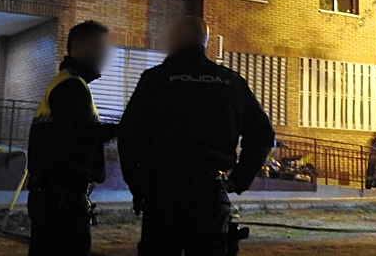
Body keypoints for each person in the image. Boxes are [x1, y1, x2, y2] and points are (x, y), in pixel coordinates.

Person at [119, 16, 275, 256]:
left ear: (177, 39)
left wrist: (140, 186)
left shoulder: (155, 80)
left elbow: (129, 136)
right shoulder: (231, 82)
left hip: (163, 195)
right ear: (205, 42)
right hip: (210, 195)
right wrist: (238, 180)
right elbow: (263, 135)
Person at [28, 20, 118, 256]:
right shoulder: (71, 86)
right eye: (98, 45)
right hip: (61, 195)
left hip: (53, 192)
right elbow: (83, 135)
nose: (104, 53)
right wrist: (126, 127)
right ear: (77, 47)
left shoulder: (68, 82)